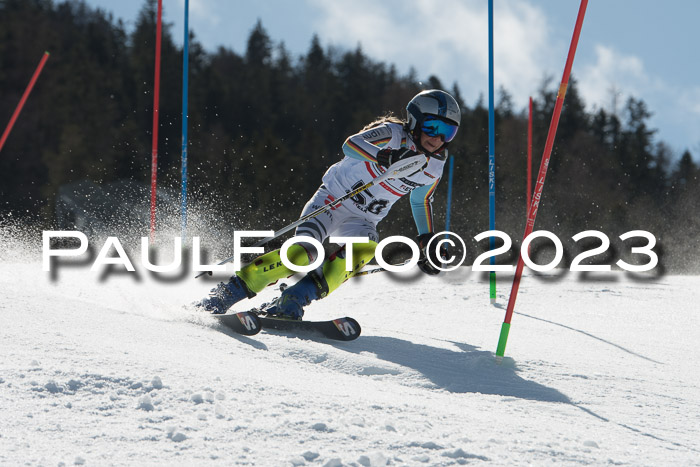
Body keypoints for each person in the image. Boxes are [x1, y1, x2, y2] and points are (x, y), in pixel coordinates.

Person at [197, 89, 461, 319]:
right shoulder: (393, 134)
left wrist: (427, 238)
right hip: (332, 201)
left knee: (363, 251)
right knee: (304, 253)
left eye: (447, 132)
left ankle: (292, 300)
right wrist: (385, 156)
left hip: (363, 220)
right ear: (414, 120)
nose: (437, 138)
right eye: (432, 127)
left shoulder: (435, 166)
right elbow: (351, 144)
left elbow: (420, 199)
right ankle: (226, 293)